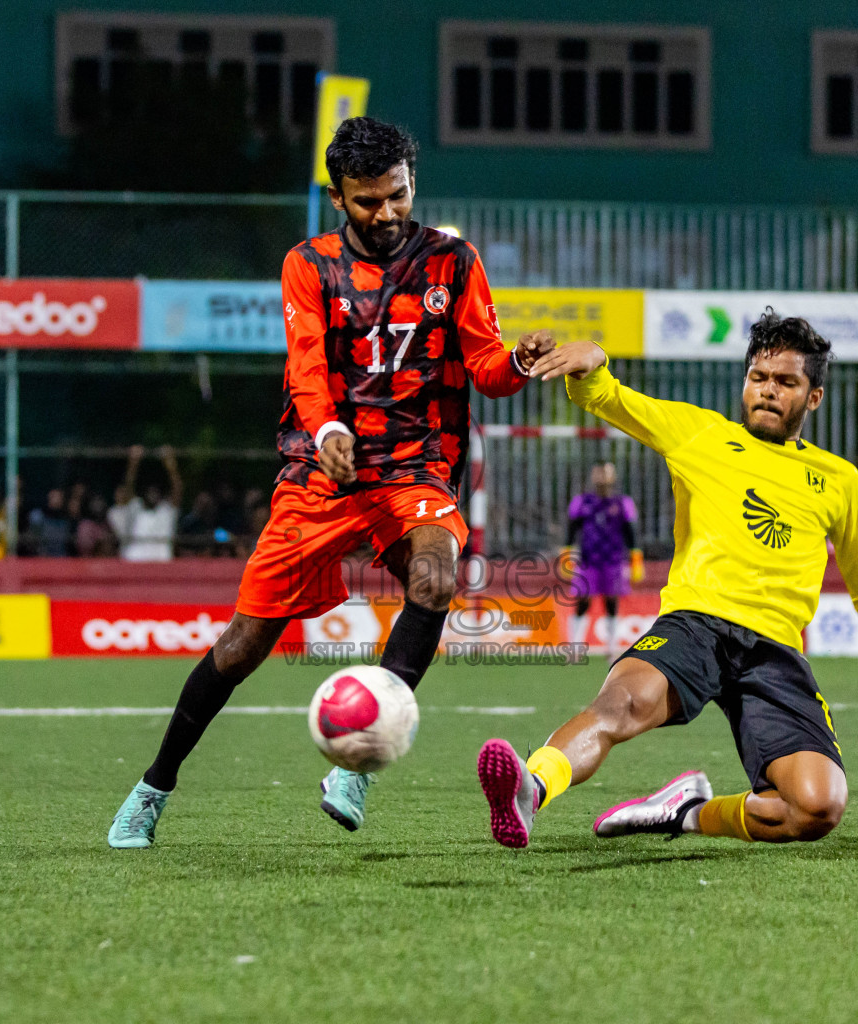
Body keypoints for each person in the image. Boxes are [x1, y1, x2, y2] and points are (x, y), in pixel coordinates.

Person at [108, 116, 553, 848]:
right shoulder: (308, 266)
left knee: (436, 580)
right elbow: (307, 369)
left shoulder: (454, 261)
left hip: (414, 467)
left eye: (398, 196)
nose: (386, 214)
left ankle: (357, 767)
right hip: (324, 473)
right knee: (243, 645)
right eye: (368, 201)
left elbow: (487, 370)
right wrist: (329, 433)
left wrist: (521, 360)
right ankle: (154, 786)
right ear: (338, 198)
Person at [475, 311, 858, 850]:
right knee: (621, 705)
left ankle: (685, 813)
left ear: (813, 397)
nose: (768, 391)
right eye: (758, 377)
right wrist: (592, 366)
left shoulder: (839, 481)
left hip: (774, 650)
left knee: (817, 806)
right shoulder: (699, 434)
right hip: (694, 626)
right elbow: (608, 398)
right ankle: (531, 788)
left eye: (786, 382)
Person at [563, 462, 642, 653]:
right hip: (588, 560)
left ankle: (612, 646)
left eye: (606, 472)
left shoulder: (622, 503)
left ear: (613, 476)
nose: (602, 477)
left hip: (613, 561)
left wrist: (636, 558)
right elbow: (572, 530)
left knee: (612, 601)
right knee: (582, 600)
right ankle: (574, 646)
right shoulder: (582, 502)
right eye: (598, 472)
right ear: (592, 475)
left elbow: (630, 533)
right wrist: (566, 553)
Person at [108, 445, 182, 562]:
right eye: (149, 491)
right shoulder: (136, 508)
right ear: (143, 493)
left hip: (161, 564)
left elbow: (177, 489)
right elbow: (128, 488)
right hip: (134, 562)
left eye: (156, 491)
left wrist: (170, 465)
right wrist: (133, 463)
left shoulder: (166, 511)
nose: (152, 494)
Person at [26, 487, 74, 557]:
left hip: (61, 559)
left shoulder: (67, 519)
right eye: (54, 497)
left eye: (59, 498)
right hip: (41, 559)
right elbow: (31, 540)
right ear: (48, 498)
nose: (56, 501)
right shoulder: (37, 516)